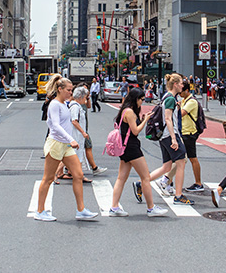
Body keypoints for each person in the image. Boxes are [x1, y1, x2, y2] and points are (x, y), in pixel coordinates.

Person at [35, 75, 98, 221]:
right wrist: (72, 139)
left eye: (71, 90)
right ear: (60, 89)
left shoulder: (64, 103)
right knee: (48, 179)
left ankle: (81, 210)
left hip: (66, 145)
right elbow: (55, 126)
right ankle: (39, 211)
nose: (71, 92)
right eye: (69, 90)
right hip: (56, 144)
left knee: (78, 175)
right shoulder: (55, 104)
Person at [136, 73, 194, 206]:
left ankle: (141, 183)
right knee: (180, 163)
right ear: (175, 84)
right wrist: (174, 138)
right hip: (169, 135)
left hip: (165, 136)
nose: (182, 85)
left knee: (167, 166)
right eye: (180, 83)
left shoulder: (168, 98)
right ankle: (178, 196)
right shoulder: (170, 99)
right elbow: (168, 118)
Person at [108, 87, 168, 217]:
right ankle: (151, 208)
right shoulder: (129, 112)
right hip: (132, 147)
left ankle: (114, 207)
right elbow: (135, 131)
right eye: (141, 99)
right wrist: (145, 120)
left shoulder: (125, 110)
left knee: (121, 178)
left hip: (124, 147)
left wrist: (142, 119)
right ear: (136, 99)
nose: (142, 102)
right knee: (145, 177)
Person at [179, 79, 204, 192]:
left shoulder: (192, 101)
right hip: (183, 132)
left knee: (192, 158)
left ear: (187, 90)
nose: (180, 94)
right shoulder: (184, 100)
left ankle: (198, 183)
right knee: (182, 158)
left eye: (181, 92)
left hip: (189, 133)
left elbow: (182, 113)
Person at [67, 86, 93, 183]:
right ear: (81, 97)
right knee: (75, 155)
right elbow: (74, 121)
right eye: (85, 97)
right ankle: (78, 175)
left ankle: (78, 174)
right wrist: (83, 132)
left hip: (79, 136)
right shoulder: (75, 107)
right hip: (76, 135)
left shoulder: (77, 106)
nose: (86, 100)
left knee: (77, 155)